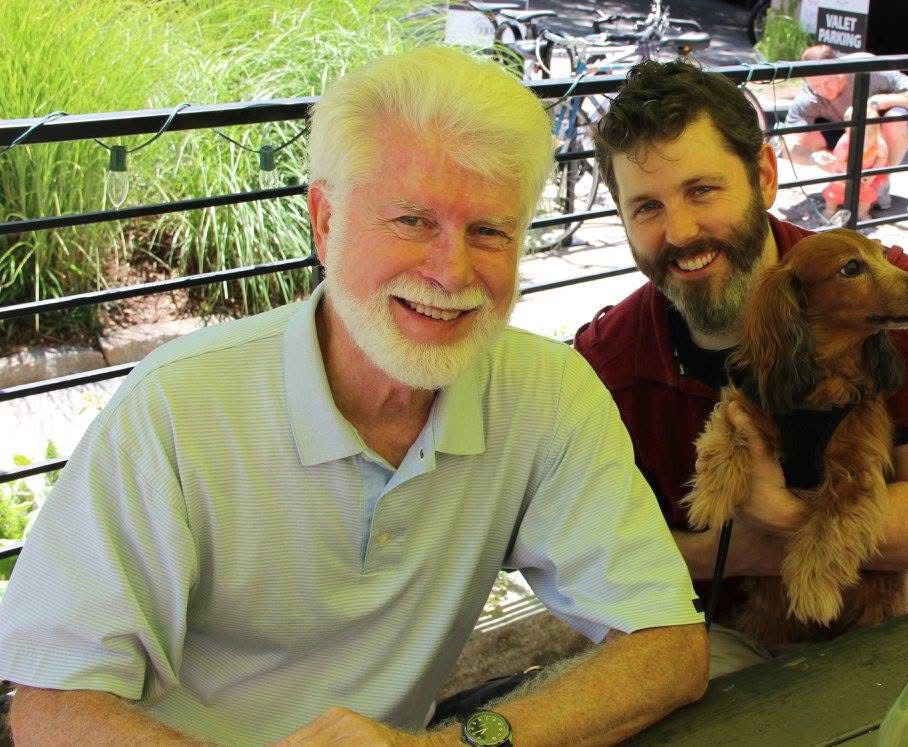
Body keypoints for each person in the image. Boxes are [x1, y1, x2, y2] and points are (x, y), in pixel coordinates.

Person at [0, 47, 709, 744]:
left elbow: (669, 645)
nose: (451, 271)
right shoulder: (179, 406)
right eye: (413, 221)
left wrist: (451, 745)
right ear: (326, 222)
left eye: (489, 231)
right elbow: (51, 704)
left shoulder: (545, 392)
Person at [575, 59, 908, 677]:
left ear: (764, 175)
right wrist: (740, 550)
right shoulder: (607, 365)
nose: (680, 232)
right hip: (709, 640)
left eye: (702, 190)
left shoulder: (894, 303)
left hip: (884, 628)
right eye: (647, 207)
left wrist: (783, 517)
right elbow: (594, 558)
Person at [781, 44, 908, 210]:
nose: (824, 90)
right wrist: (813, 157)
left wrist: (881, 101)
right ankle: (846, 181)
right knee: (806, 136)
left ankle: (881, 181)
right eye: (816, 86)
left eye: (828, 82)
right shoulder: (808, 98)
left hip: (883, 132)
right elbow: (787, 144)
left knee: (895, 117)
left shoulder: (867, 68)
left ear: (839, 70)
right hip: (846, 135)